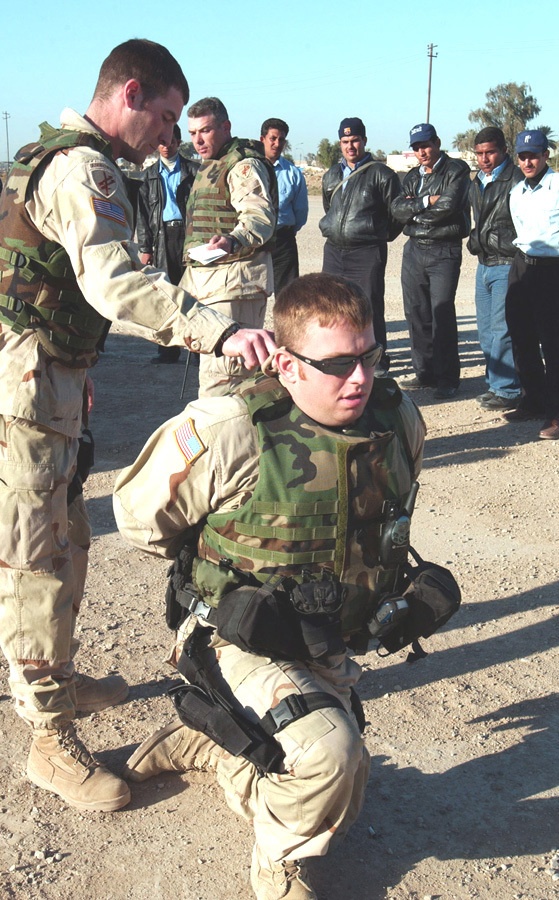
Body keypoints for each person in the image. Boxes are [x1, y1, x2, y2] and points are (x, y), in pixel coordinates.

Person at [0, 39, 275, 815]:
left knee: (66, 539)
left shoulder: (78, 159)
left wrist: (75, 373)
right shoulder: (82, 169)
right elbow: (117, 280)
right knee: (32, 562)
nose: (167, 135)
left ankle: (58, 680)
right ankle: (48, 740)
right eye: (162, 116)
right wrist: (215, 330)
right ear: (129, 92)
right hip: (24, 392)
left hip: (50, 378)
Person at [113, 273, 426, 899]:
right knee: (328, 758)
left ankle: (214, 747)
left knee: (347, 781)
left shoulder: (397, 419)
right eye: (337, 364)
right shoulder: (230, 429)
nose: (359, 378)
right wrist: (223, 579)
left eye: (369, 355)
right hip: (236, 638)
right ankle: (277, 859)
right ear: (285, 363)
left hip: (322, 638)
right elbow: (139, 520)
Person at [183, 97, 277, 396]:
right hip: (212, 283)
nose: (198, 140)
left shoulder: (243, 166)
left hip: (234, 284)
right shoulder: (211, 165)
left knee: (225, 380)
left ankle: (228, 442)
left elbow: (259, 218)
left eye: (206, 131)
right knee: (220, 376)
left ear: (226, 127)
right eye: (193, 133)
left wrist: (233, 240)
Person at [392, 123, 471, 399]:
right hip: (414, 250)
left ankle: (447, 378)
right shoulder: (412, 177)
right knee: (416, 312)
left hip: (444, 251)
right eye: (416, 147)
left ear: (437, 142)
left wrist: (415, 214)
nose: (421, 151)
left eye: (425, 145)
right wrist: (426, 201)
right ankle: (424, 372)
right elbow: (397, 208)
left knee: (442, 313)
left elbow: (449, 207)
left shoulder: (456, 170)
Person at [320, 117, 402, 375]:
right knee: (333, 305)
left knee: (368, 306)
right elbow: (329, 209)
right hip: (334, 250)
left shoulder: (381, 174)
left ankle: (376, 359)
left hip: (367, 252)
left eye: (355, 140)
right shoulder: (331, 175)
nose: (350, 146)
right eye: (345, 141)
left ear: (364, 140)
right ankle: (340, 355)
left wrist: (377, 234)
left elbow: (397, 213)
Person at [503, 130, 559, 440]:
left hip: (553, 270)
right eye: (523, 156)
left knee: (554, 344)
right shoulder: (517, 192)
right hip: (523, 266)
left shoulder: (558, 186)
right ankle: (533, 401)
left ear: (545, 155)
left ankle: (556, 412)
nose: (528, 161)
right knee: (521, 337)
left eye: (533, 155)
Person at [467, 126, 522, 410]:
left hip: (507, 262)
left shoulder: (516, 178)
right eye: (479, 153)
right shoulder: (478, 180)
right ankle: (496, 383)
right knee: (485, 330)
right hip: (484, 263)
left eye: (490, 152)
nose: (484, 158)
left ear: (503, 150)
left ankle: (508, 389)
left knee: (502, 329)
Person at [137, 123, 199, 363]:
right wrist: (145, 248)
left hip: (189, 238)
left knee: (194, 293)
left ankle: (197, 350)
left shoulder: (195, 172)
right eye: (161, 142)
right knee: (167, 295)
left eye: (170, 141)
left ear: (178, 142)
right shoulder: (148, 175)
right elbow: (143, 217)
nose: (165, 146)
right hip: (162, 238)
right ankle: (168, 350)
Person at [260, 117, 308, 293]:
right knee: (253, 297)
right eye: (273, 138)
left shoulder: (293, 173)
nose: (277, 143)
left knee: (288, 297)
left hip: (283, 242)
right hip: (254, 242)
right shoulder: (249, 169)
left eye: (281, 139)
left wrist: (285, 231)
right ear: (262, 139)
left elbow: (301, 212)